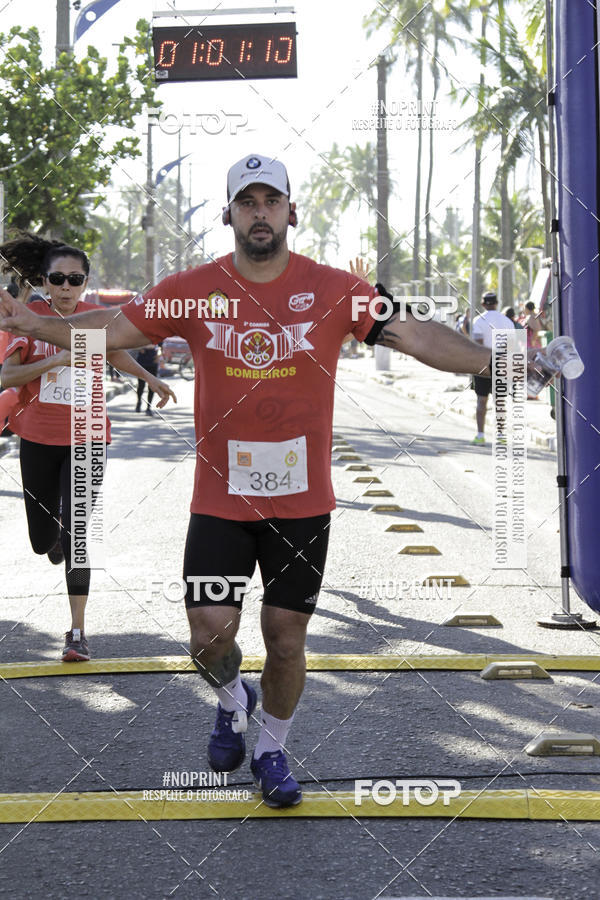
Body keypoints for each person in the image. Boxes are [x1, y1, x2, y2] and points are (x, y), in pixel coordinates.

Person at [0, 154, 493, 807]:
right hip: (221, 501)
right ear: (228, 214)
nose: (259, 212)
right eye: (246, 201)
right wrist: (33, 324)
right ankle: (235, 700)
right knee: (208, 637)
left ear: (291, 211)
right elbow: (111, 330)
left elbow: (413, 334)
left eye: (271, 200)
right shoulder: (193, 288)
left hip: (302, 505)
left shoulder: (336, 289)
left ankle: (271, 749)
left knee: (286, 640)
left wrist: (495, 360)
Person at [0, 234, 176, 661]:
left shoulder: (95, 319)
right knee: (44, 542)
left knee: (78, 535)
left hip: (88, 437)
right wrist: (56, 360)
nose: (65, 287)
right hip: (39, 440)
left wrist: (148, 378)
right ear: (45, 278)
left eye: (74, 279)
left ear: (84, 281)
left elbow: (113, 352)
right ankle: (54, 537)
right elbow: (6, 377)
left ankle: (77, 632)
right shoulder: (31, 317)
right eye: (57, 278)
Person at [470, 290, 514, 445]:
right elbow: (511, 345)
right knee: (500, 401)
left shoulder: (478, 320)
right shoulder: (507, 321)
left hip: (483, 364)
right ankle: (501, 436)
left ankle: (480, 435)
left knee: (482, 400)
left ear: (483, 304)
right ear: (497, 303)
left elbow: (478, 345)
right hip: (502, 363)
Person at [135, 344, 160, 415]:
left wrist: (159, 355)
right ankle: (139, 402)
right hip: (142, 362)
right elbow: (135, 344)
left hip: (153, 362)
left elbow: (160, 347)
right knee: (141, 385)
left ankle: (148, 407)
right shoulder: (141, 334)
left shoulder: (158, 334)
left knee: (152, 386)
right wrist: (140, 347)